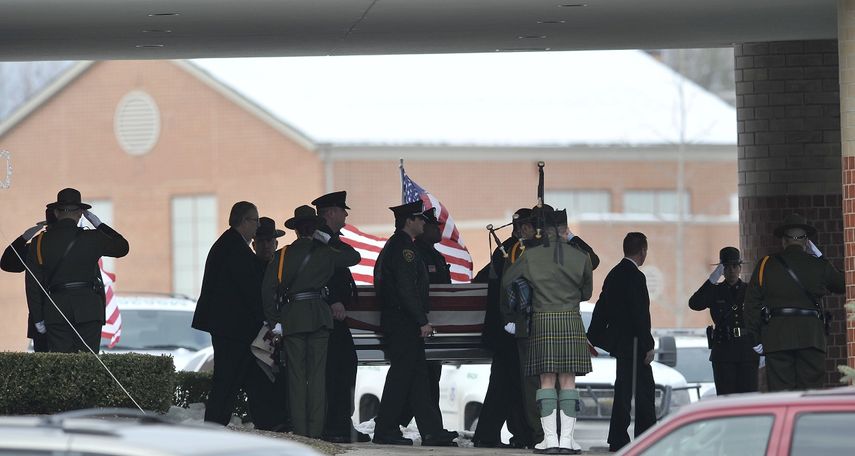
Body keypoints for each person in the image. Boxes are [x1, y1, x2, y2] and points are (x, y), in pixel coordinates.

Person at [261, 205, 360, 438]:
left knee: (296, 378)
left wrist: (275, 321)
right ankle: (315, 432)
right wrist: (327, 240)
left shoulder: (282, 255)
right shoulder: (325, 252)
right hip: (319, 317)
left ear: (295, 230)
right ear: (315, 228)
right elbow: (353, 257)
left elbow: (267, 291)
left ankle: (301, 431)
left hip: (293, 318)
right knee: (317, 378)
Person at [502, 207, 593, 454]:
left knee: (545, 381)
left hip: (542, 320)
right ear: (562, 229)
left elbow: (507, 281)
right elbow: (587, 293)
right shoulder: (580, 256)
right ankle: (567, 440)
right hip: (571, 321)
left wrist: (521, 301)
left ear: (544, 230)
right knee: (568, 383)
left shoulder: (530, 257)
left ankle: (549, 439)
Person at [371, 200, 457, 447]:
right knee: (401, 376)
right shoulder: (403, 249)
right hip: (403, 321)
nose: (423, 223)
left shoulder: (402, 246)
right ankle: (385, 429)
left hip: (402, 319)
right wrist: (421, 320)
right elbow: (406, 288)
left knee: (419, 378)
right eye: (420, 219)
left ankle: (431, 431)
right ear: (409, 221)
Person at [744, 214, 844, 391]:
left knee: (782, 394)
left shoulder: (766, 264)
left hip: (776, 338)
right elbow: (842, 284)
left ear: (783, 241)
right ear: (806, 242)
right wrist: (821, 257)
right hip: (811, 337)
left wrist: (755, 337)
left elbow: (751, 303)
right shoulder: (818, 265)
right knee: (811, 392)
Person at [24, 188, 129, 353]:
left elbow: (33, 284)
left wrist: (38, 318)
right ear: (81, 213)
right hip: (88, 309)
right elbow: (122, 247)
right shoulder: (94, 237)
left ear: (57, 213)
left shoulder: (39, 242)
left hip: (56, 310)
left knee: (61, 365)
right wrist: (99, 225)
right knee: (87, 364)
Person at [191, 201, 267, 426]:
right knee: (226, 380)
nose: (258, 225)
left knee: (230, 380)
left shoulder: (230, 244)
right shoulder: (234, 248)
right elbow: (249, 288)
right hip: (231, 329)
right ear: (244, 221)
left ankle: (218, 423)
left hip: (229, 327)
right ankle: (214, 424)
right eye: (255, 220)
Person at [472, 208, 535, 449]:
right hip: (510, 328)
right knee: (510, 384)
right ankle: (514, 434)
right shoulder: (517, 251)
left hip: (502, 329)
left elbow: (481, 279)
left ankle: (499, 434)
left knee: (506, 384)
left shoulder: (506, 250)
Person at [311, 191, 371, 443]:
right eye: (342, 210)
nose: (346, 214)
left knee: (342, 368)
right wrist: (334, 297)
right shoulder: (321, 239)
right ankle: (336, 425)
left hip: (333, 315)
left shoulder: (330, 238)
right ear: (331, 213)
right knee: (339, 369)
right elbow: (321, 272)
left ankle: (339, 422)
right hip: (327, 315)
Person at [595, 232, 655, 452]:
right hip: (636, 344)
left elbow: (602, 306)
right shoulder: (636, 277)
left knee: (623, 391)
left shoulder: (614, 274)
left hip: (621, 345)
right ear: (642, 251)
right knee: (644, 393)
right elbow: (640, 314)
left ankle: (618, 438)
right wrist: (648, 344)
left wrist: (598, 336)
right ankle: (646, 437)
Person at [397, 208, 447, 430]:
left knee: (429, 375)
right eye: (434, 225)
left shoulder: (433, 254)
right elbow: (409, 288)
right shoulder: (415, 252)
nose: (438, 230)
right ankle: (431, 427)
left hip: (432, 323)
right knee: (422, 376)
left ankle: (398, 421)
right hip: (420, 322)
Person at [688, 246, 759, 395]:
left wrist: (762, 344)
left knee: (748, 399)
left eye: (734, 266)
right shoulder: (715, 290)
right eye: (726, 267)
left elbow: (761, 317)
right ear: (722, 270)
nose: (731, 270)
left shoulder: (749, 290)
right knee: (726, 399)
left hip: (747, 351)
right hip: (723, 352)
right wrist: (712, 279)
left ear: (740, 268)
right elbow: (694, 303)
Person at [247, 216, 291, 431]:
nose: (266, 245)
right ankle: (265, 420)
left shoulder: (282, 268)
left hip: (280, 331)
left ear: (276, 243)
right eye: (261, 241)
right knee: (259, 380)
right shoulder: (249, 268)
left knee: (281, 377)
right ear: (254, 244)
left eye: (270, 241)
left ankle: (280, 418)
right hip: (256, 335)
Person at [2, 209, 54, 352]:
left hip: (53, 316)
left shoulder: (36, 246)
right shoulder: (36, 247)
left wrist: (25, 238)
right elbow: (7, 263)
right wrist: (24, 238)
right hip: (43, 317)